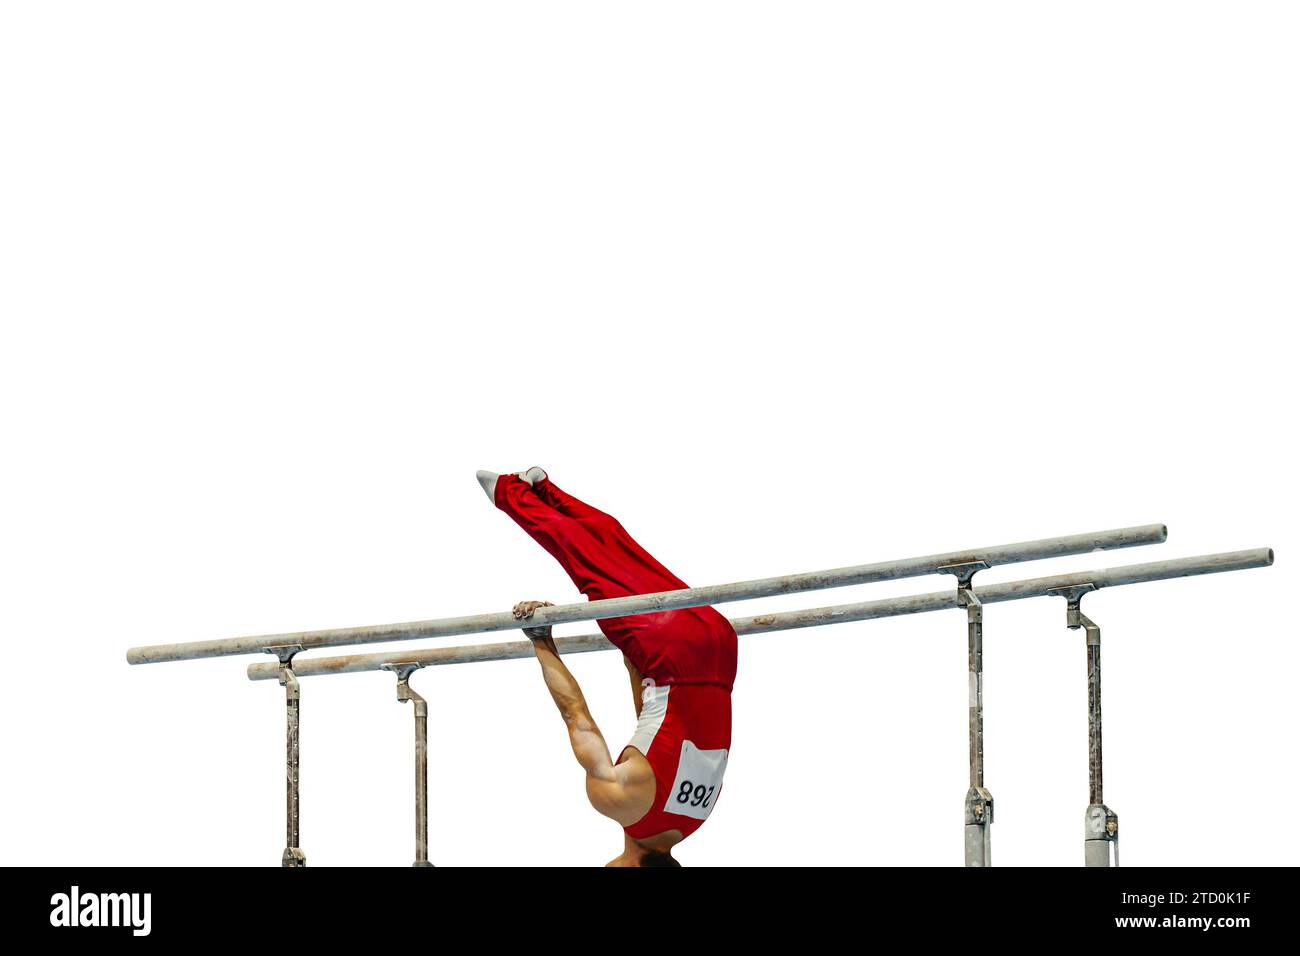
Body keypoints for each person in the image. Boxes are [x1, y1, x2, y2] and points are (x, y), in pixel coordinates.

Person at [477, 467, 736, 867]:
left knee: (618, 550)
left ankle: (543, 487)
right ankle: (507, 492)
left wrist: (630, 650)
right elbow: (577, 720)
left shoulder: (695, 817)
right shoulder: (620, 803)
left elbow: (661, 726)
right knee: (585, 559)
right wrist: (541, 638)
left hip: (718, 647)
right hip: (670, 653)